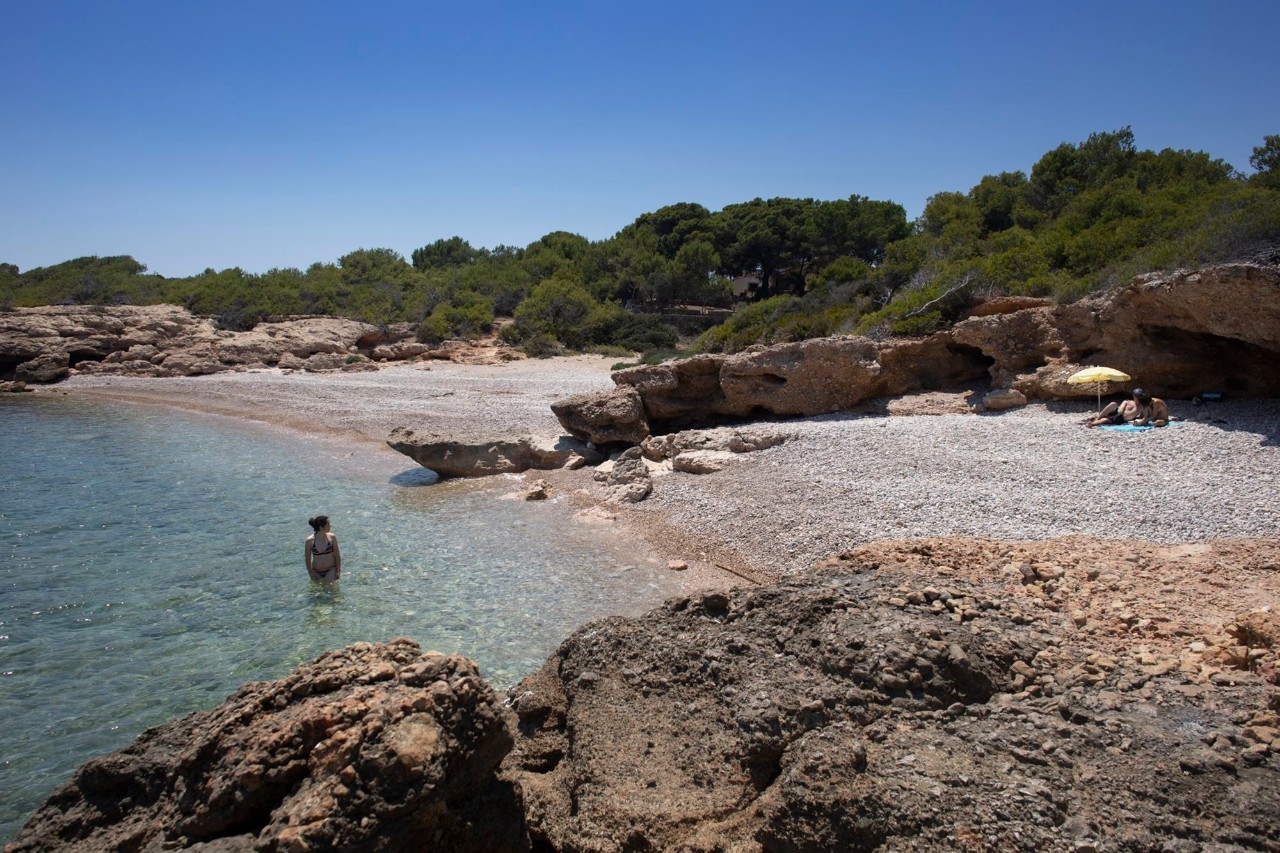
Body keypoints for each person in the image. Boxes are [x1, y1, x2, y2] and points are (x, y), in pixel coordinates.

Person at [305, 515, 342, 581]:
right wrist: (311, 573)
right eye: (328, 524)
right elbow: (307, 560)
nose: (330, 526)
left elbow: (337, 555)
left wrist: (338, 571)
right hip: (316, 571)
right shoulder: (309, 541)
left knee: (331, 589)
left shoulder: (332, 537)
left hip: (331, 569)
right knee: (318, 591)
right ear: (321, 527)